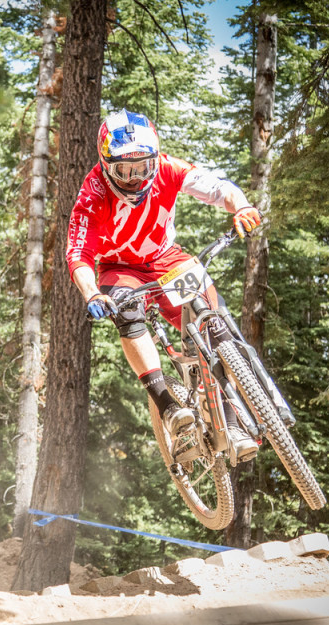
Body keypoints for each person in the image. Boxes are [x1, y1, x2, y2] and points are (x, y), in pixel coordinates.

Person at [67, 108, 261, 461]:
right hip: (119, 267)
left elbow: (219, 189)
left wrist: (242, 207)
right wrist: (92, 292)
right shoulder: (92, 194)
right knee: (126, 310)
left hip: (165, 258)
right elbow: (79, 255)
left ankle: (230, 423)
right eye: (124, 170)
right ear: (105, 165)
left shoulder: (170, 168)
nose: (134, 178)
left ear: (154, 161)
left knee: (216, 325)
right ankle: (168, 406)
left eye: (142, 167)